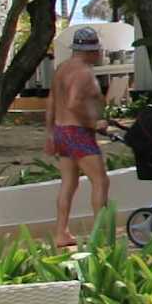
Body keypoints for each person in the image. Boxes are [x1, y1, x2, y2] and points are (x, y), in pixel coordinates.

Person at [48, 26, 115, 248]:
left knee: (69, 183)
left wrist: (50, 133)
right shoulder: (83, 73)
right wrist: (93, 124)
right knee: (100, 181)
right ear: (91, 51)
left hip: (61, 131)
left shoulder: (62, 69)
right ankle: (100, 234)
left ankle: (61, 232)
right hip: (77, 132)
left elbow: (52, 102)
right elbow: (74, 102)